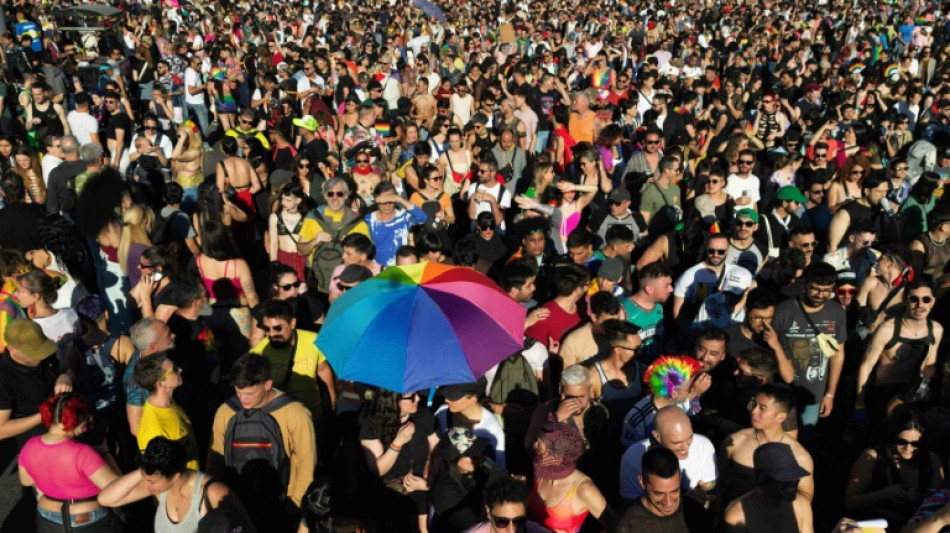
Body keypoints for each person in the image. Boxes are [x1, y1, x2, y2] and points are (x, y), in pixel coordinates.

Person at [208, 353, 315, 532]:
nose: (243, 399)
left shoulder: (297, 414)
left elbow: (306, 464)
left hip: (281, 508)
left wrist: (294, 506)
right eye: (238, 392)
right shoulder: (225, 411)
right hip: (235, 505)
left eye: (249, 393)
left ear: (268, 384)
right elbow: (215, 458)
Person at [98, 436, 253, 533]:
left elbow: (248, 528)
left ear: (175, 476)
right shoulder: (161, 487)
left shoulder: (212, 493)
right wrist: (145, 469)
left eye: (151, 481)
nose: (146, 484)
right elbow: (106, 498)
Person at [17, 393, 121, 533]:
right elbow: (117, 489)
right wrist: (105, 452)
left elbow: (26, 481)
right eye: (87, 420)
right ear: (78, 419)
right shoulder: (83, 453)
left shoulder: (30, 445)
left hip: (47, 517)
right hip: (88, 519)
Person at [771, 261, 847, 440]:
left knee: (805, 439)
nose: (820, 294)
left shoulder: (837, 312)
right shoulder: (784, 310)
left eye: (826, 290)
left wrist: (830, 394)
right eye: (815, 289)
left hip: (814, 393)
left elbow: (837, 355)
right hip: (783, 393)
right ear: (804, 284)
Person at [844, 408, 945, 529]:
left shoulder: (931, 460)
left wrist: (921, 498)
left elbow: (941, 499)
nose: (908, 448)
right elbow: (850, 502)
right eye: (901, 442)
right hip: (877, 523)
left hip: (915, 526)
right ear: (892, 437)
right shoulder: (873, 458)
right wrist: (886, 493)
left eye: (915, 444)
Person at [856, 281, 942, 423]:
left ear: (933, 302)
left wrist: (929, 397)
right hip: (883, 394)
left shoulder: (936, 330)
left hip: (912, 395)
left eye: (926, 300)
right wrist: (859, 404)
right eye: (914, 299)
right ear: (904, 300)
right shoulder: (887, 330)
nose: (920, 305)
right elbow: (866, 366)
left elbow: (930, 365)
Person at [719, 383, 814, 506]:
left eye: (762, 408)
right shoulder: (735, 442)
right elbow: (718, 483)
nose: (753, 411)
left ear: (780, 417)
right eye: (754, 404)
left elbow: (805, 497)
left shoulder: (799, 457)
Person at [359, 388, 438, 533]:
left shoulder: (423, 416)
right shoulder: (371, 424)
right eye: (412, 397)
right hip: (390, 496)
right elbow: (378, 470)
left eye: (417, 394)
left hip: (422, 488)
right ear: (394, 401)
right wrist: (398, 442)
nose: (418, 399)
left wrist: (429, 476)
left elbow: (437, 450)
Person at [527, 419, 614, 532]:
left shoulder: (584, 489)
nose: (534, 446)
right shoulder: (539, 475)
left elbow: (616, 526)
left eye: (539, 445)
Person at [620, 406, 717, 504]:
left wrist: (703, 492)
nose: (685, 447)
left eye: (689, 438)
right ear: (657, 436)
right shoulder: (633, 458)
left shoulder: (703, 445)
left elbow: (712, 489)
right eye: (677, 443)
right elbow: (630, 504)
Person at [722, 442, 814, 533]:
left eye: (795, 475)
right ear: (762, 478)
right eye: (784, 477)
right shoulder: (737, 516)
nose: (793, 481)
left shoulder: (802, 506)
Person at [620, 355, 708, 447]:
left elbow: (690, 408)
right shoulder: (639, 418)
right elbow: (629, 451)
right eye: (690, 388)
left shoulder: (678, 401)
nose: (693, 391)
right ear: (674, 393)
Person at [132, 353, 199, 469]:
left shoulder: (168, 403)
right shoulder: (154, 430)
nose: (180, 369)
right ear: (160, 384)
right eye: (174, 369)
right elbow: (161, 475)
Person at [429, 427, 503, 533]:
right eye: (471, 455)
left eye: (478, 452)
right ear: (454, 459)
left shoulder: (474, 473)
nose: (477, 457)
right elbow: (474, 527)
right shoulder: (445, 491)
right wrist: (490, 484)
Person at [610, 447, 690, 533]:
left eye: (675, 491)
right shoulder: (626, 524)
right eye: (659, 494)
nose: (668, 503)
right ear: (642, 482)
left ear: (680, 478)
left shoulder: (692, 511)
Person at [436, 382, 506, 469]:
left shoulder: (492, 429)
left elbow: (499, 468)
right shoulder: (443, 412)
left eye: (453, 397)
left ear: (473, 399)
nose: (446, 399)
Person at [365, 181, 427, 267]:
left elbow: (423, 218)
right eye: (383, 201)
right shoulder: (369, 219)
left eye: (391, 200)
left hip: (401, 266)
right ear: (376, 200)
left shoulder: (403, 216)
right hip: (378, 268)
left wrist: (400, 199)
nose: (387, 205)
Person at [623, 261, 673, 365]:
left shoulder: (660, 308)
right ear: (649, 289)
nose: (671, 289)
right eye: (666, 286)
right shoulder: (623, 310)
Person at [462, 475, 551, 533]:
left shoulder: (533, 530)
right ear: (488, 512)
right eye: (502, 521)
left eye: (519, 521)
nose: (512, 530)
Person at [560, 291, 623, 367]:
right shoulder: (573, 342)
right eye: (609, 322)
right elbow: (566, 376)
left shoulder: (622, 336)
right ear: (594, 317)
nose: (614, 326)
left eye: (617, 320)